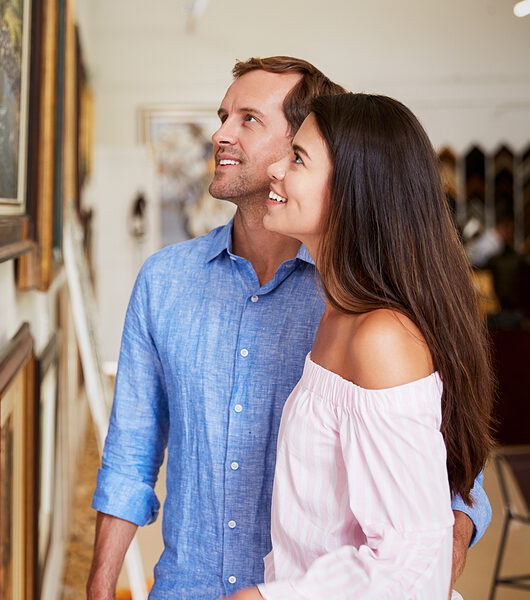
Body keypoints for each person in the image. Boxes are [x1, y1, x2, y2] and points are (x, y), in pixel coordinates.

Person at [87, 58, 492, 600]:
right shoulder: (166, 281)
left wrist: (434, 556)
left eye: (249, 119)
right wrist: (98, 586)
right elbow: (130, 454)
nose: (220, 133)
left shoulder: (368, 319)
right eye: (223, 114)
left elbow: (444, 479)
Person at [227, 93, 495, 599]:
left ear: (354, 191)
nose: (276, 170)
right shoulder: (337, 317)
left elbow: (415, 560)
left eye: (298, 158)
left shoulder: (382, 339)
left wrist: (264, 598)